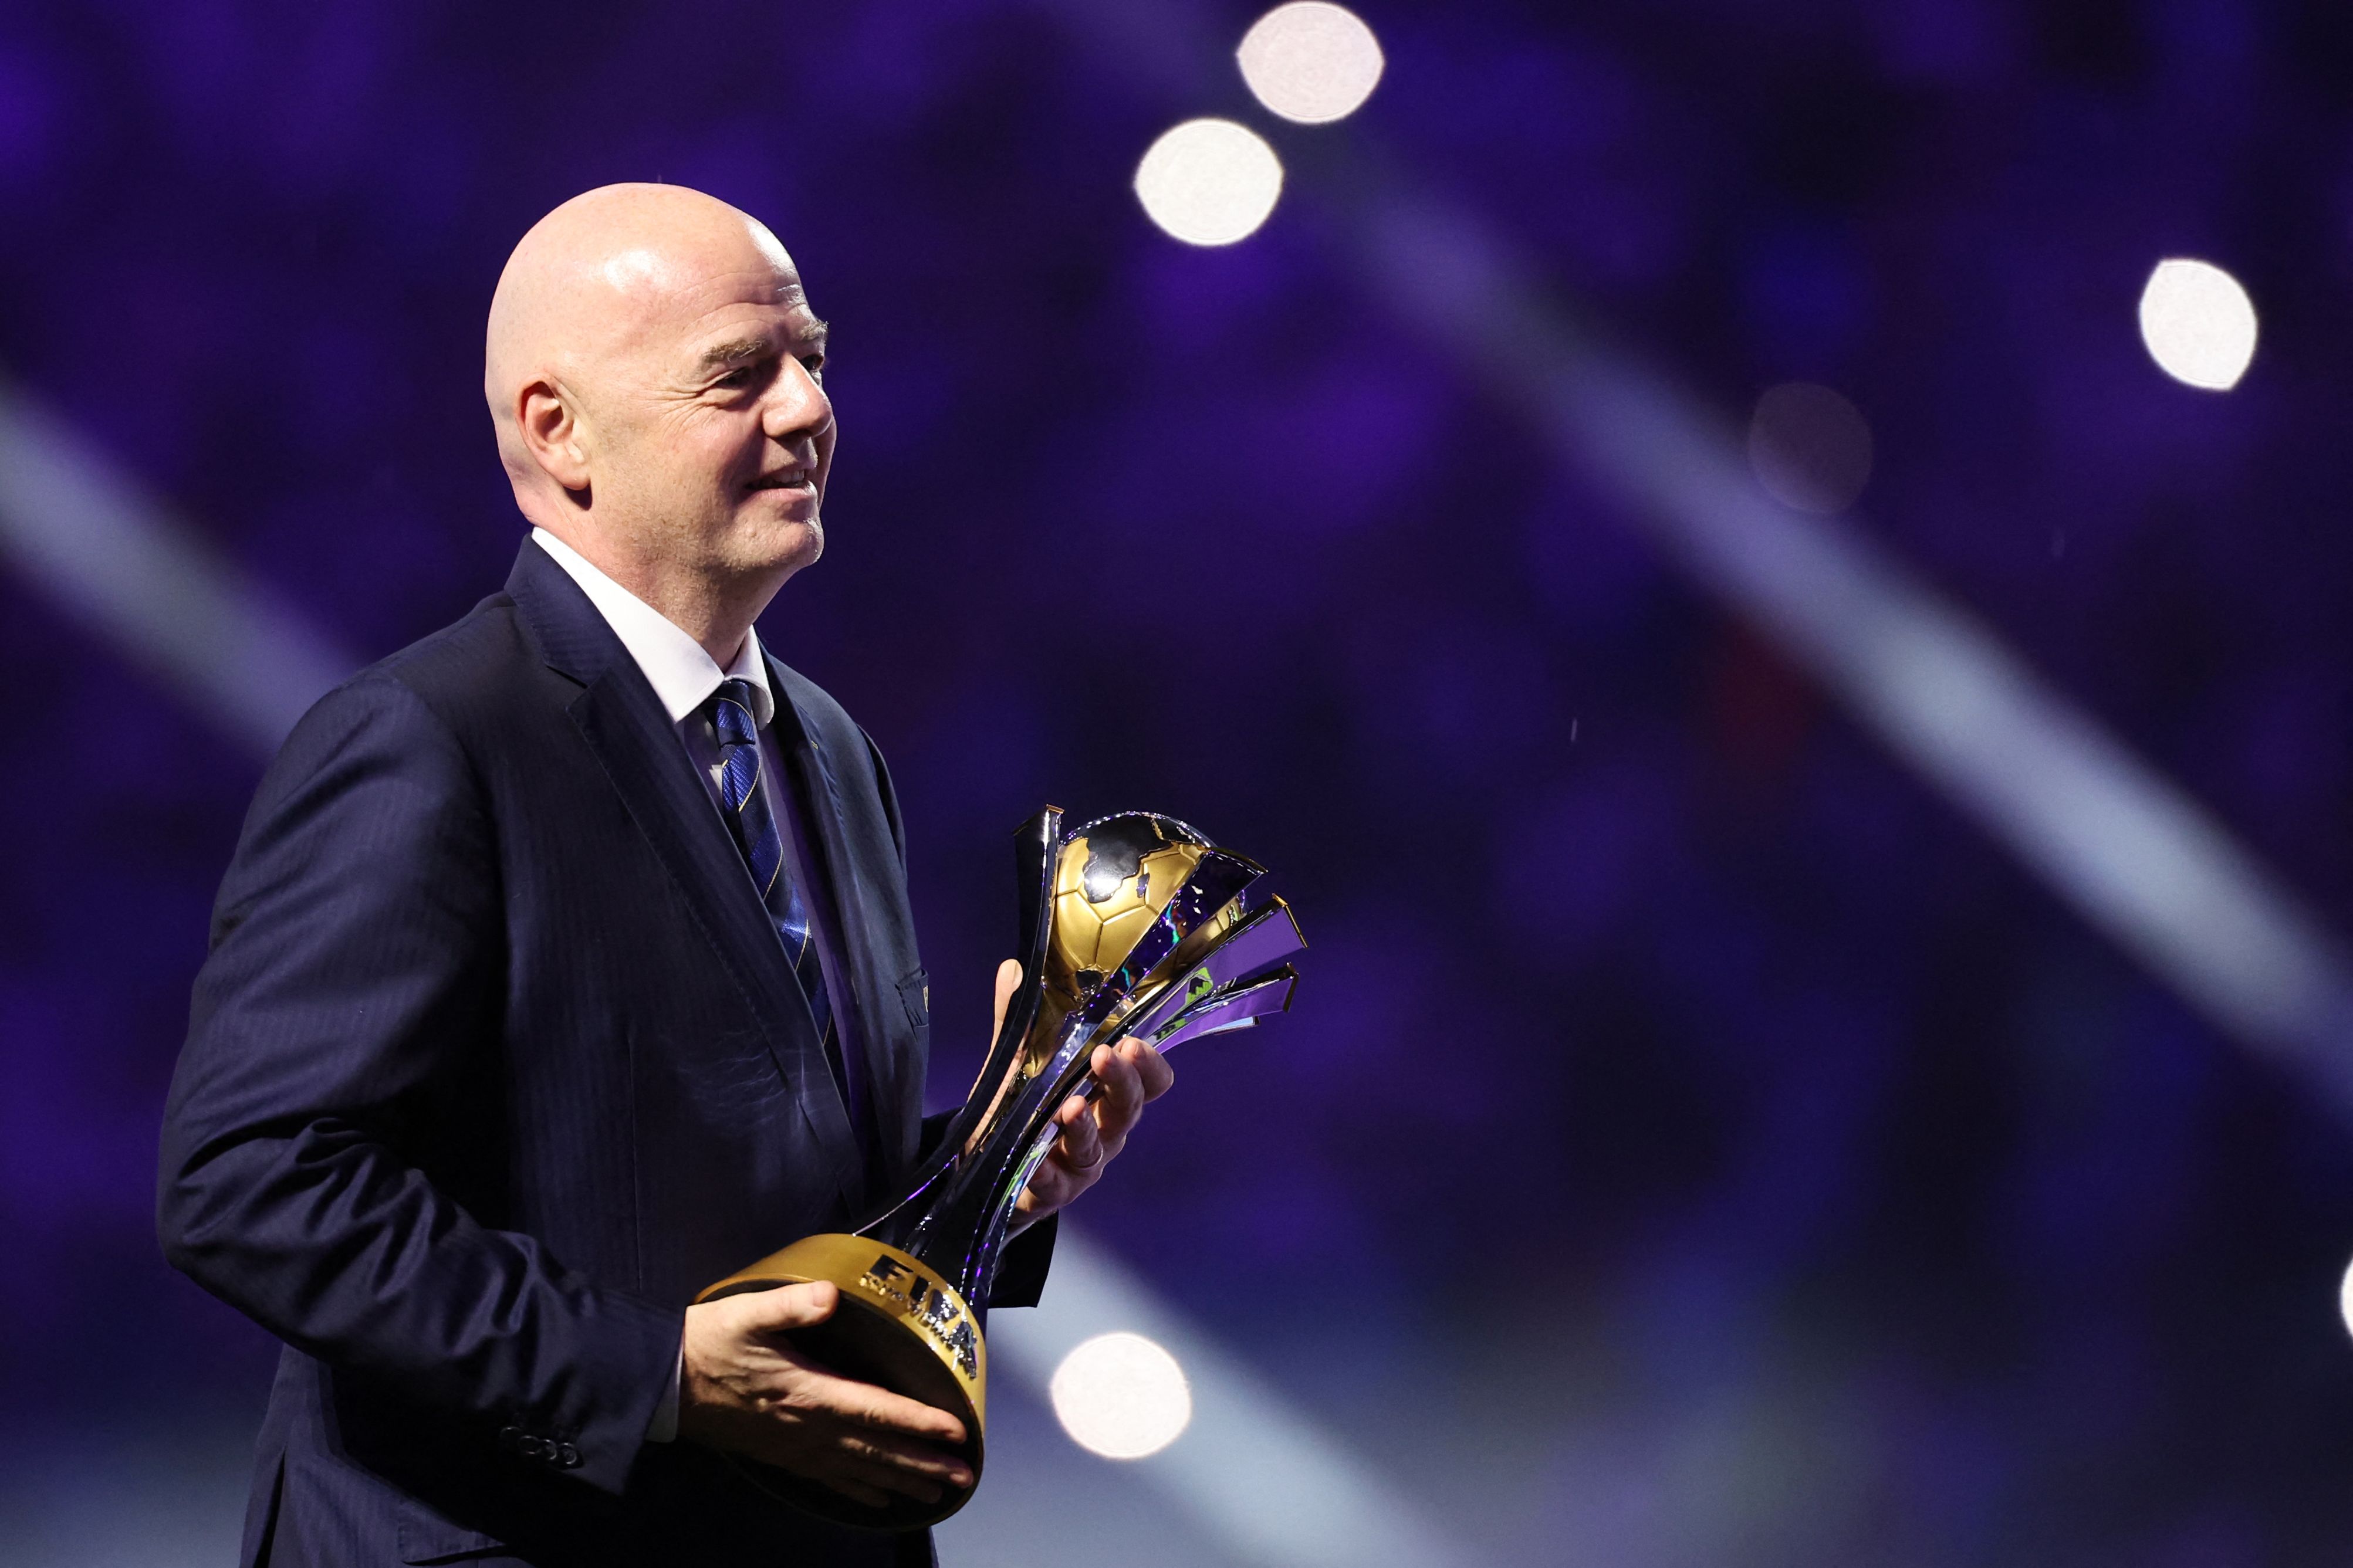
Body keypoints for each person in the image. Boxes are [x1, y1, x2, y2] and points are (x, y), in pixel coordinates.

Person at [156, 182, 1175, 1568]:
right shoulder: (429, 737)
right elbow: (254, 1178)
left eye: (812, 357)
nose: (809, 408)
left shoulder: (826, 744)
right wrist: (662, 1375)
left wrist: (997, 1164)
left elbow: (779, 1201)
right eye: (736, 376)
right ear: (556, 430)